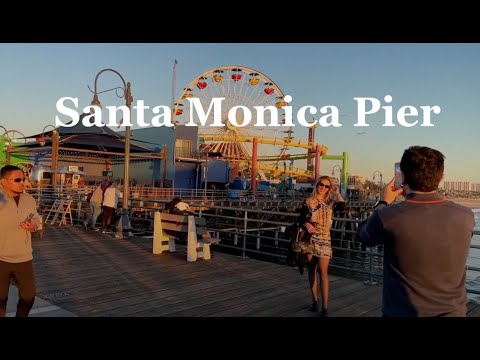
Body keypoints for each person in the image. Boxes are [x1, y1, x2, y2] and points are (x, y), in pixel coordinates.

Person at [356, 146, 475, 317]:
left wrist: (383, 203)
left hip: (402, 312)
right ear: (441, 178)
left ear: (402, 176)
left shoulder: (388, 216)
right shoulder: (466, 216)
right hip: (453, 312)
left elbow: (363, 236)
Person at [295, 175, 345, 316]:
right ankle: (315, 301)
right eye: (321, 185)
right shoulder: (308, 201)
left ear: (330, 188)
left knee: (323, 272)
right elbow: (300, 218)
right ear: (317, 185)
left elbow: (343, 208)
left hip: (324, 239)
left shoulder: (330, 202)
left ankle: (325, 307)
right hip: (309, 239)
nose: (323, 188)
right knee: (312, 269)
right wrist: (306, 223)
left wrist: (337, 193)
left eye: (327, 186)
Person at [0, 165, 42, 317]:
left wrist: (33, 226)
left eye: (23, 179)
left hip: (24, 257)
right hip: (1, 258)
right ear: (4, 181)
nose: (22, 182)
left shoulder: (29, 199)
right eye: (17, 179)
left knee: (29, 296)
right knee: (0, 299)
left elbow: (36, 219)